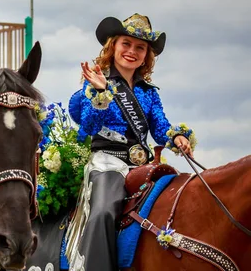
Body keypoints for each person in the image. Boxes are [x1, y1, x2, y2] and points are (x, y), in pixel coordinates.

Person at [64, 13, 193, 271]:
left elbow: (160, 126)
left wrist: (176, 136)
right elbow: (88, 126)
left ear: (147, 55)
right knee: (102, 213)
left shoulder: (148, 92)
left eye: (140, 48)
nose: (132, 51)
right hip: (107, 164)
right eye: (126, 44)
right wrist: (101, 92)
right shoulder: (94, 83)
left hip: (142, 167)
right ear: (113, 46)